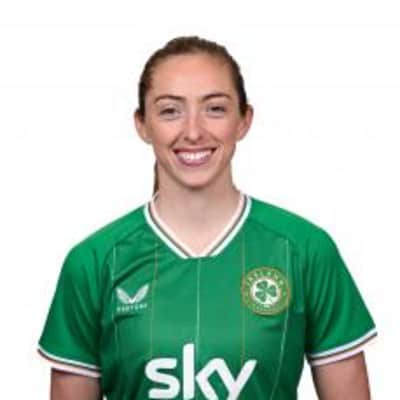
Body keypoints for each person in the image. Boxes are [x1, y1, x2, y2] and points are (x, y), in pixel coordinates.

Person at [37, 35, 377, 400]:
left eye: (215, 109)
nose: (194, 131)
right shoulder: (94, 262)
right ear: (142, 124)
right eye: (170, 111)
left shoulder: (305, 250)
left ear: (244, 120)